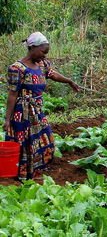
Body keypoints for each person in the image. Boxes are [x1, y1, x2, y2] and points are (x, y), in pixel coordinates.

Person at [3, 32, 80, 180]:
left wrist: (69, 81)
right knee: (25, 143)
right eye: (42, 52)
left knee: (46, 141)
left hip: (37, 110)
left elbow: (52, 74)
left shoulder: (42, 64)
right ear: (32, 47)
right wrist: (7, 119)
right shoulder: (17, 68)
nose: (44, 56)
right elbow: (12, 94)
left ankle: (36, 171)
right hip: (22, 113)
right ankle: (23, 175)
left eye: (46, 53)